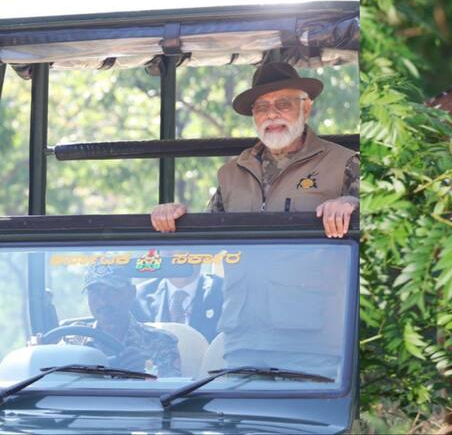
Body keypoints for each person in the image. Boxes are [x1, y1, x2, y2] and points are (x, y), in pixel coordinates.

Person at [150, 62, 359, 237]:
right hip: (242, 287)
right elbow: (207, 240)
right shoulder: (230, 174)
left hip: (311, 287)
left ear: (306, 108)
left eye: (283, 104)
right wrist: (172, 217)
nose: (271, 114)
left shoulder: (345, 163)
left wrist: (353, 205)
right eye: (262, 107)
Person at [66, 262, 181, 377]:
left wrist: (147, 371)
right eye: (95, 293)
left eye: (112, 291)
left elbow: (173, 388)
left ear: (131, 293)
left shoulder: (160, 341)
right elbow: (56, 380)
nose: (103, 302)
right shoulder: (74, 340)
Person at [133, 264, 223, 343]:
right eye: (169, 248)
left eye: (186, 248)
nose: (178, 257)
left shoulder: (224, 293)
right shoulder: (137, 297)